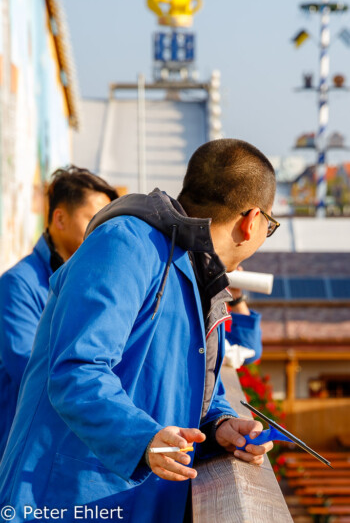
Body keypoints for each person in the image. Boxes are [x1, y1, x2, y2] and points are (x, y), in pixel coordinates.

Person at [0, 139, 279, 523]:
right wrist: (142, 439)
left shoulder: (196, 270)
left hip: (135, 502)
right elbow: (76, 371)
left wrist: (219, 425)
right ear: (251, 221)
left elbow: (177, 386)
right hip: (61, 499)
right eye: (272, 224)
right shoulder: (128, 243)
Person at [0, 166, 118, 458]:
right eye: (93, 221)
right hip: (24, 448)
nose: (101, 234)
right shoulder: (19, 284)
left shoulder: (95, 283)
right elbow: (30, 371)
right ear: (60, 218)